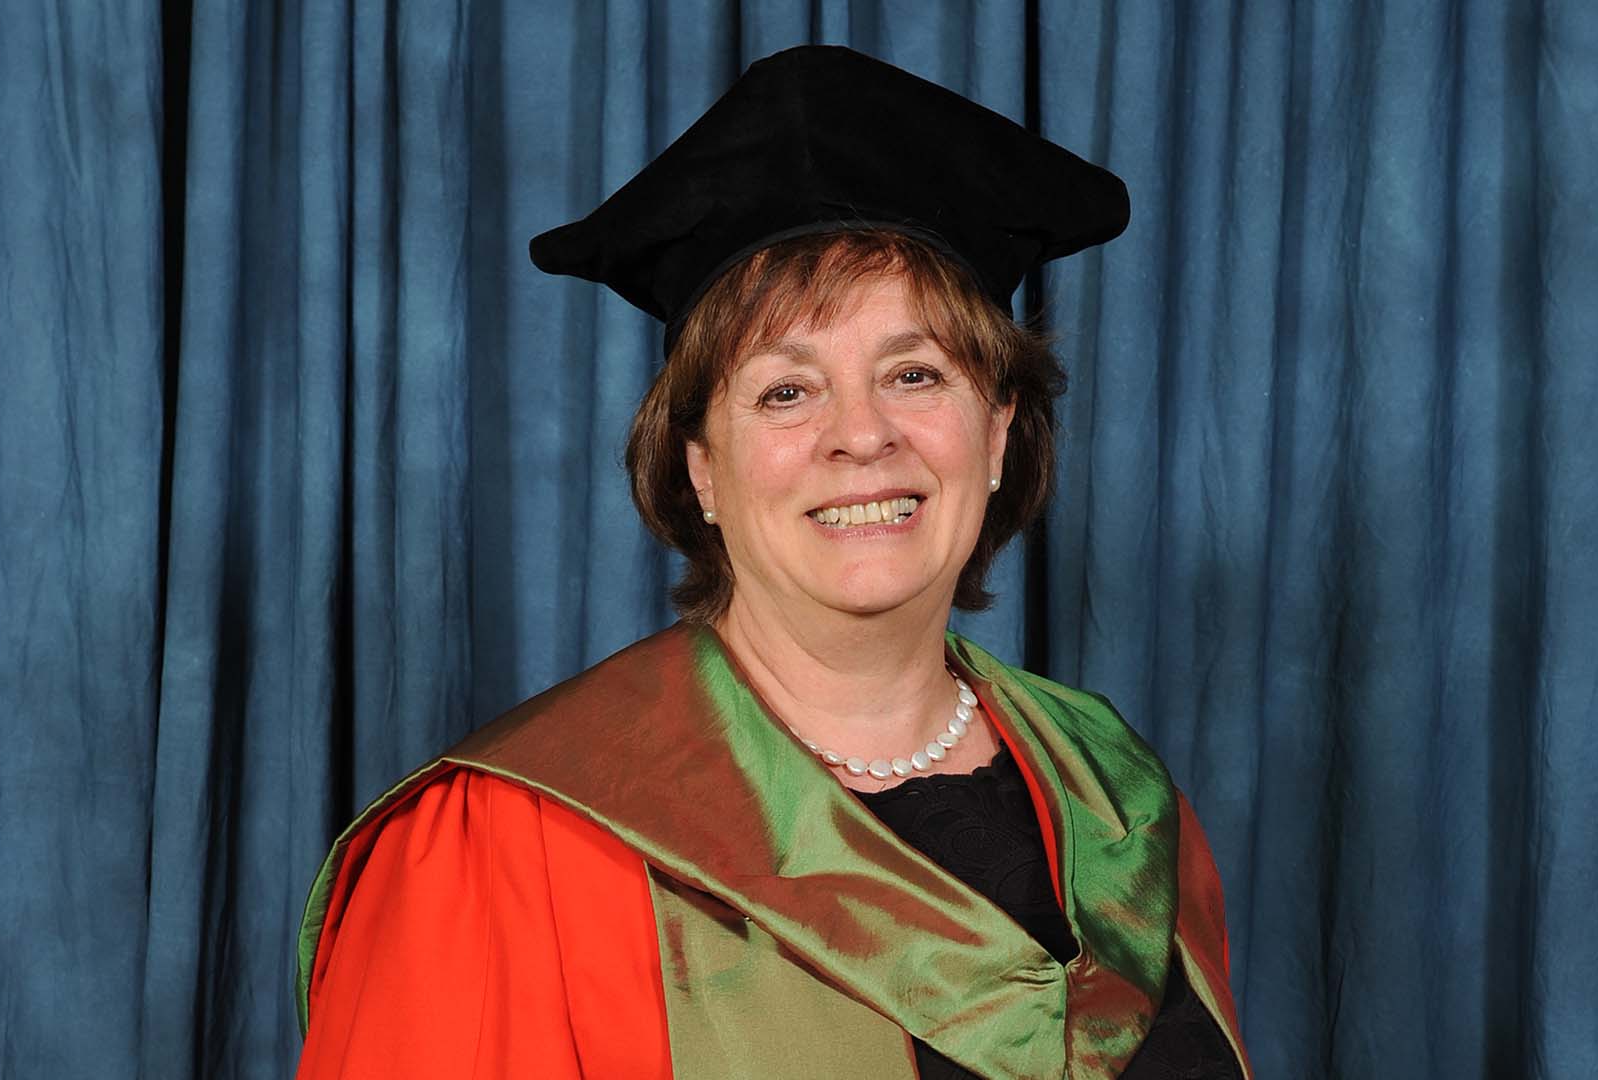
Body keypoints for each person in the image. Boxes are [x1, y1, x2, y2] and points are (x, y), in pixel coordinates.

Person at [294, 46, 1250, 1079]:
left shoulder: (1120, 802)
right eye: (787, 392)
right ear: (701, 465)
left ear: (999, 433)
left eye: (916, 372)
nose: (863, 435)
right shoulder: (504, 845)